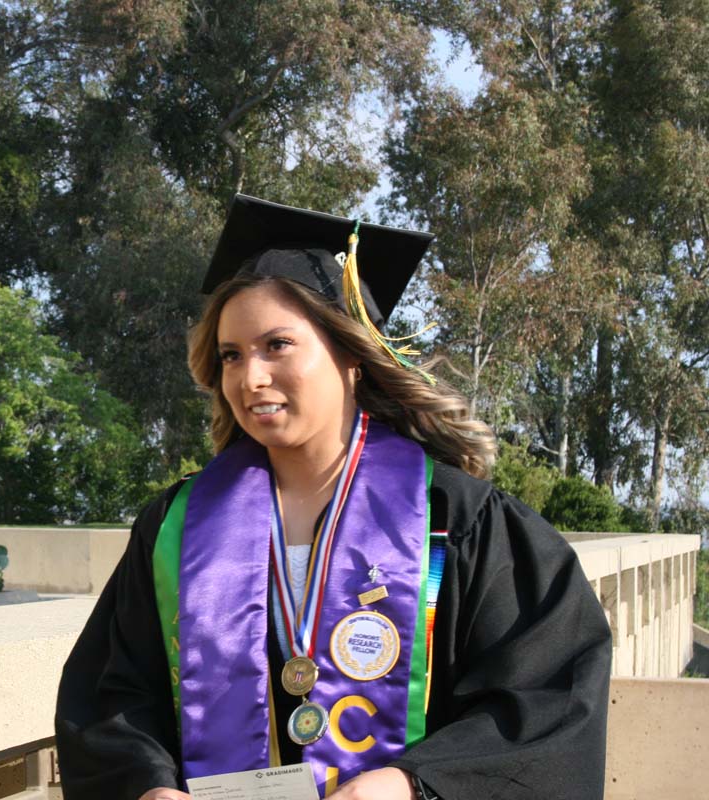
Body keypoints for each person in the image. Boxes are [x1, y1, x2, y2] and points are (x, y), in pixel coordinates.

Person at [54, 195, 612, 800]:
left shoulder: (455, 519)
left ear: (350, 354)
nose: (251, 377)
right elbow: (113, 696)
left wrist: (407, 784)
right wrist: (148, 788)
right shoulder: (177, 526)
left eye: (277, 345)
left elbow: (547, 697)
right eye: (231, 355)